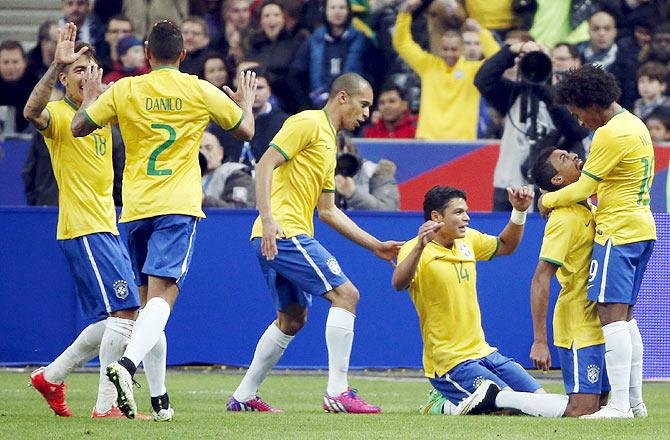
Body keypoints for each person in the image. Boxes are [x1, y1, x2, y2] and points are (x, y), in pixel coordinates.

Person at [71, 19, 257, 419]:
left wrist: (88, 98)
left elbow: (79, 127)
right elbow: (245, 131)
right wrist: (245, 102)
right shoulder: (197, 88)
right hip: (178, 204)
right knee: (164, 297)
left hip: (136, 207)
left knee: (144, 306)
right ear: (184, 55)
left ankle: (160, 400)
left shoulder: (125, 89)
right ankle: (126, 365)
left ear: (148, 53)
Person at [227, 73, 402, 413]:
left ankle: (244, 396)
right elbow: (264, 164)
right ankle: (338, 392)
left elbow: (328, 211)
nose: (366, 114)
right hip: (283, 232)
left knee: (292, 319)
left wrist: (377, 246)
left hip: (279, 233)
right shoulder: (307, 122)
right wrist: (267, 220)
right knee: (346, 295)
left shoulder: (330, 143)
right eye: (363, 104)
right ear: (341, 97)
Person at [22, 23, 160, 420]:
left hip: (107, 226)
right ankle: (106, 406)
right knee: (127, 313)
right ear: (64, 80)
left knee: (120, 317)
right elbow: (32, 111)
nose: (87, 75)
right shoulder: (61, 117)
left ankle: (52, 376)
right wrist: (54, 66)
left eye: (91, 68)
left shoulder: (101, 119)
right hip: (83, 228)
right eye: (78, 70)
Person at [392, 185, 576, 418]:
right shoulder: (414, 249)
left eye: (466, 211)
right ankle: (441, 405)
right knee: (511, 407)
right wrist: (420, 245)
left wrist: (518, 212)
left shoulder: (468, 239)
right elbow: (398, 283)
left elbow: (505, 246)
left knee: (538, 397)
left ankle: (454, 402)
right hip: (450, 362)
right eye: (458, 212)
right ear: (436, 217)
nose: (466, 217)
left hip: (484, 352)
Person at [540, 64, 656, 419]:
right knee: (626, 319)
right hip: (641, 227)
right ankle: (635, 403)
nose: (579, 122)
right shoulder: (634, 124)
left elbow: (586, 187)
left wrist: (546, 200)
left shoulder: (610, 133)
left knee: (611, 317)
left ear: (591, 103)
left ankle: (619, 405)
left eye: (577, 113)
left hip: (617, 231)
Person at [528, 148, 610, 417]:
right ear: (558, 181)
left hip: (603, 322)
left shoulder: (593, 209)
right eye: (564, 158)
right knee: (583, 409)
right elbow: (542, 277)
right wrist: (540, 341)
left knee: (605, 408)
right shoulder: (563, 218)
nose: (574, 155)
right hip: (578, 325)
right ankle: (506, 403)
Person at [474, 41, 588, 212]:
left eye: (543, 59)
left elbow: (577, 131)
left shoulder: (571, 97)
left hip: (554, 187)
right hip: (509, 183)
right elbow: (483, 80)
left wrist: (548, 93)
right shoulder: (513, 93)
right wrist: (512, 51)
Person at [392, 0, 499, 140]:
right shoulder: (427, 65)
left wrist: (481, 31)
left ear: (462, 49)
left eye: (454, 49)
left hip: (462, 143)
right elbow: (402, 44)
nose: (449, 53)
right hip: (427, 140)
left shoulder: (474, 70)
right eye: (445, 49)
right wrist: (404, 14)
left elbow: (498, 60)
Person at [211, 68, 287, 166]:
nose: (254, 93)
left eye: (259, 88)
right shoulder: (223, 122)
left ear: (269, 91)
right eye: (249, 88)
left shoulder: (284, 122)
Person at [200, 130, 256, 208]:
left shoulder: (237, 174)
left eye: (208, 148)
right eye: (199, 149)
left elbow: (240, 210)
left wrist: (203, 200)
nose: (203, 153)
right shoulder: (188, 175)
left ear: (220, 152)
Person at [0, 40, 40, 133]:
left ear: (24, 63)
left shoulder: (37, 84)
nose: (11, 67)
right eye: (5, 62)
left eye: (15, 62)